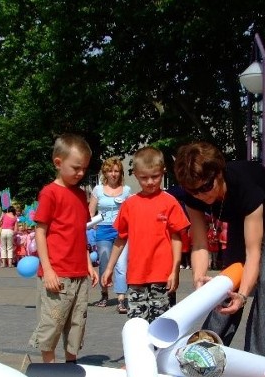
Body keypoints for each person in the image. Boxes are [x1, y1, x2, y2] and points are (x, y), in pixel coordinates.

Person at [173, 141, 265, 361]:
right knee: (226, 281)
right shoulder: (192, 195)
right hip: (242, 216)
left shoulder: (245, 186)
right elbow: (200, 244)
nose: (200, 195)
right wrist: (200, 279)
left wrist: (242, 295)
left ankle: (262, 360)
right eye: (193, 190)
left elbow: (253, 254)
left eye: (205, 187)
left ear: (219, 174)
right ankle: (205, 351)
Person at [101, 146, 189, 322]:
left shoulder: (169, 202)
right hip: (136, 276)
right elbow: (120, 238)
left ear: (163, 172)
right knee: (137, 324)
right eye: (144, 178)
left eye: (155, 176)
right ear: (135, 174)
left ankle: (160, 351)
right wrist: (109, 267)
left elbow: (176, 237)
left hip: (163, 275)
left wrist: (175, 271)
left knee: (162, 324)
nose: (150, 182)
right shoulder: (130, 204)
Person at [33, 133, 99, 364]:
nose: (81, 173)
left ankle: (71, 365)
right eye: (76, 168)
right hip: (58, 273)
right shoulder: (49, 193)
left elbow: (79, 233)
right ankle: (48, 370)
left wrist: (89, 264)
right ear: (58, 163)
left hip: (79, 272)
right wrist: (48, 269)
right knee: (52, 322)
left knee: (76, 324)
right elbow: (40, 232)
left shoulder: (81, 195)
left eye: (84, 169)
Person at [89, 157, 132, 312]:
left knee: (121, 265)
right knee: (105, 261)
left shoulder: (126, 190)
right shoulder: (98, 190)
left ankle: (121, 298)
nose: (113, 174)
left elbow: (130, 212)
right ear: (105, 173)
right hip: (103, 228)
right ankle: (104, 293)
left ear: (120, 172)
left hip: (121, 230)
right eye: (110, 171)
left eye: (116, 171)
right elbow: (91, 211)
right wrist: (92, 227)